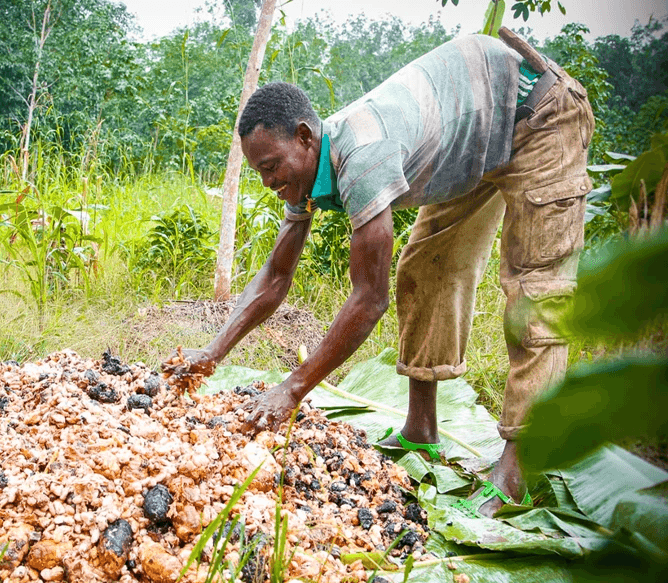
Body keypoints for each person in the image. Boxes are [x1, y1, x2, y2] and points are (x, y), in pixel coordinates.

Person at [163, 29, 594, 518]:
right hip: (479, 133)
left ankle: (518, 471)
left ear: (305, 137)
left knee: (536, 294)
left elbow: (369, 299)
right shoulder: (305, 172)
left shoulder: (362, 154)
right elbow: (275, 275)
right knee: (426, 269)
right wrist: (212, 352)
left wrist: (294, 387)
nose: (267, 183)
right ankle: (421, 429)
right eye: (259, 172)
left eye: (271, 167)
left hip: (537, 114)